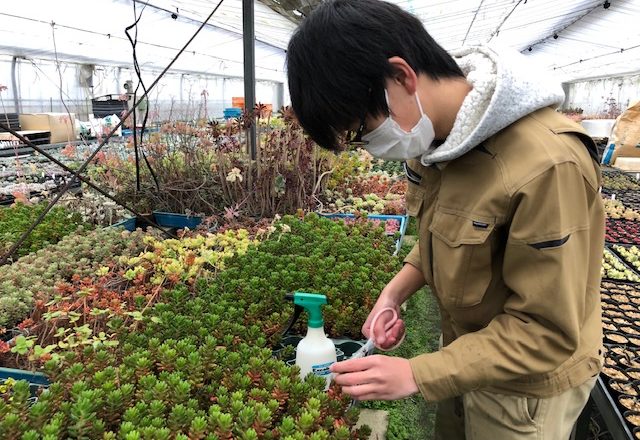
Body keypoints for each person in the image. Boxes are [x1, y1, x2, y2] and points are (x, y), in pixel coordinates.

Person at [286, 1, 604, 439]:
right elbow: (445, 234)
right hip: (466, 352)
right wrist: (393, 294)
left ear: (401, 76)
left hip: (524, 389)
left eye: (361, 129)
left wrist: (417, 374)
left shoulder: (547, 165)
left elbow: (547, 330)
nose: (366, 146)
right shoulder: (435, 136)